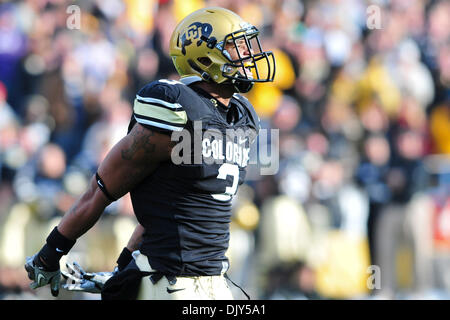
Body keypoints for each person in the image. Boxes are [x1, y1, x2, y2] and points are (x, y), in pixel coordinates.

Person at [24, 7, 276, 300]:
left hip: (215, 283)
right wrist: (50, 253)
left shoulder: (241, 116)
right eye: (237, 45)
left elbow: (171, 204)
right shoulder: (177, 110)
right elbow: (101, 190)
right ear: (205, 56)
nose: (249, 54)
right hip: (171, 283)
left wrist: (122, 263)